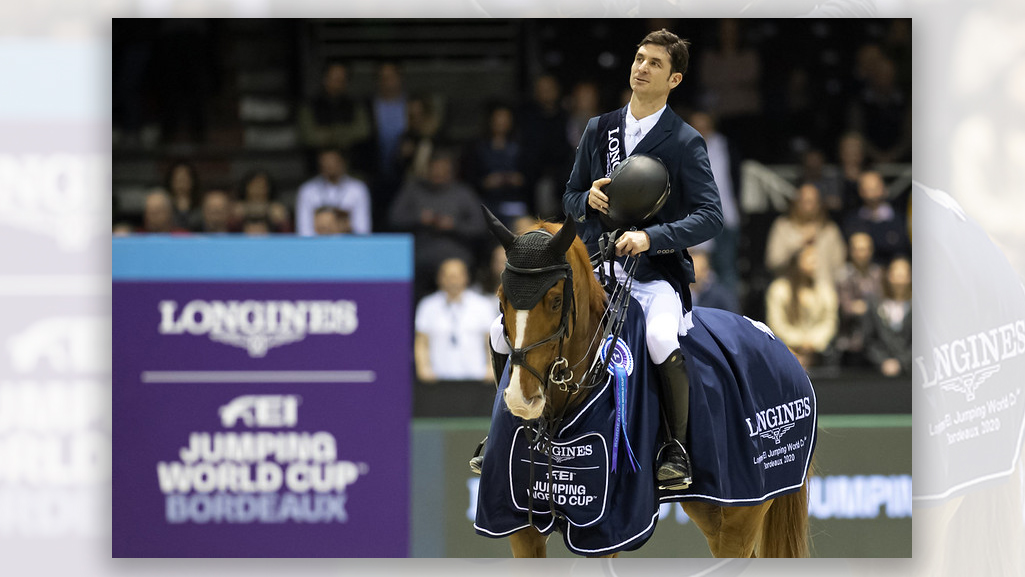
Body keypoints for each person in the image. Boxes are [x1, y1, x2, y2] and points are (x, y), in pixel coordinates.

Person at [558, 29, 724, 489]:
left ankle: (676, 448)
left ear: (674, 79)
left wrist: (652, 238)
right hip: (596, 266)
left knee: (658, 336)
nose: (642, 68)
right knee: (507, 328)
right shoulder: (599, 128)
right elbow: (569, 195)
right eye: (638, 59)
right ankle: (501, 437)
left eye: (654, 63)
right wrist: (585, 199)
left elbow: (711, 216)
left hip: (654, 274)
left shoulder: (685, 140)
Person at [388, 150, 486, 303]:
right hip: (419, 257)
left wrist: (453, 226)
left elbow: (480, 227)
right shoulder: (413, 190)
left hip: (455, 255)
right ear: (427, 170)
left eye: (443, 170)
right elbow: (394, 219)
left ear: (451, 172)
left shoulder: (463, 193)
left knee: (457, 270)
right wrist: (419, 219)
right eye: (434, 169)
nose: (438, 173)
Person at [414, 258, 498, 383]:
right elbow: (421, 342)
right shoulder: (428, 306)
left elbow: (490, 341)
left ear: (466, 277)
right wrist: (423, 369)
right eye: (448, 277)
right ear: (439, 278)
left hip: (477, 379)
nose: (453, 281)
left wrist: (491, 369)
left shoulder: (483, 305)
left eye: (457, 276)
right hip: (439, 380)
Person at [765, 245, 839, 370]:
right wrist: (799, 342)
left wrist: (813, 342)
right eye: (810, 260)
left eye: (816, 261)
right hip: (786, 349)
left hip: (818, 351)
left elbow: (829, 321)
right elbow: (776, 323)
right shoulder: (779, 289)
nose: (815, 265)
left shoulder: (825, 290)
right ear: (797, 262)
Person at [765, 183, 847, 284]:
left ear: (819, 204)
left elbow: (840, 267)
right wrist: (799, 244)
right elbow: (773, 262)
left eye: (811, 201)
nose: (808, 206)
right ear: (796, 203)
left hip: (822, 285)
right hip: (789, 285)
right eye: (804, 201)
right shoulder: (782, 227)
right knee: (778, 290)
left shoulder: (830, 230)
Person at [297, 61, 371, 153]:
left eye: (342, 79)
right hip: (319, 157)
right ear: (325, 79)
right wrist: (344, 134)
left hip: (351, 156)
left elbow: (363, 131)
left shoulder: (355, 104)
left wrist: (329, 134)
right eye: (335, 78)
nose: (338, 83)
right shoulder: (309, 106)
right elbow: (309, 136)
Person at [294, 148, 371, 236]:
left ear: (343, 163)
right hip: (316, 242)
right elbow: (304, 231)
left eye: (333, 162)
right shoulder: (307, 190)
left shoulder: (358, 189)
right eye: (325, 163)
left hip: (348, 242)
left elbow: (362, 230)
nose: (329, 166)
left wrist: (340, 229)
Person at [842, 170, 910, 265]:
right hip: (862, 271)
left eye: (875, 187)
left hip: (894, 270)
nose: (872, 193)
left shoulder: (900, 218)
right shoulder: (852, 220)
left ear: (884, 188)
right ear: (860, 191)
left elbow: (904, 250)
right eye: (867, 188)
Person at [836, 231, 884, 365]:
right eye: (858, 249)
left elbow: (883, 305)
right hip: (850, 340)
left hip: (876, 341)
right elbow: (846, 308)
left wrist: (866, 307)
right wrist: (872, 308)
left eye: (865, 249)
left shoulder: (878, 273)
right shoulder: (843, 275)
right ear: (851, 251)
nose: (862, 253)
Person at [863, 256, 912, 377]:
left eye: (903, 276)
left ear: (910, 278)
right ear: (889, 276)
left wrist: (901, 362)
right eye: (896, 275)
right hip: (878, 373)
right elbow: (868, 341)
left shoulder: (919, 309)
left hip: (911, 373)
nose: (899, 281)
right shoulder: (875, 305)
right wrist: (883, 361)